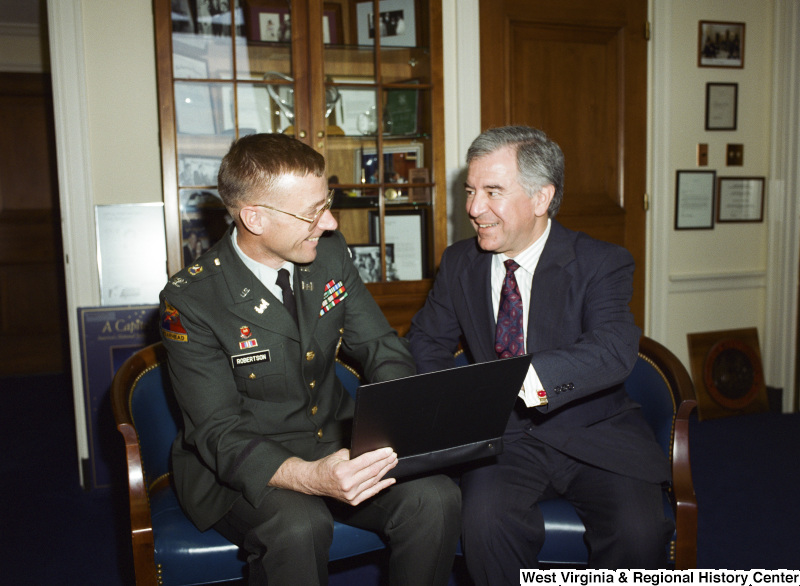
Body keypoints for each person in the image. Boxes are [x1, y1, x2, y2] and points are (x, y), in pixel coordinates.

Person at [159, 133, 460, 585]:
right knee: (299, 526)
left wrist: (393, 424)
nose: (332, 223)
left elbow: (380, 346)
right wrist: (309, 477)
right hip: (238, 465)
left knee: (435, 498)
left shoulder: (327, 257)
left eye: (328, 203)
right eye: (313, 212)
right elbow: (218, 430)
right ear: (254, 218)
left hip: (334, 437)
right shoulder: (193, 299)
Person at [406, 125, 673, 581]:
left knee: (640, 531)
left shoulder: (600, 262)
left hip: (595, 431)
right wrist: (453, 401)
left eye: (492, 192)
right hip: (502, 438)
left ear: (541, 198)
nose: (473, 208)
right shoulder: (459, 263)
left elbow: (612, 347)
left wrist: (521, 379)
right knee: (485, 527)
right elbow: (426, 341)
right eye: (471, 191)